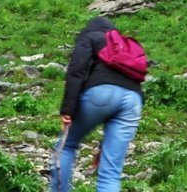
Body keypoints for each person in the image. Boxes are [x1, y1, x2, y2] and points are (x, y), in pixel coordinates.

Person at [53, 15, 145, 190]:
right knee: (110, 172)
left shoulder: (88, 37)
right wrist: (105, 146)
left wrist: (68, 110)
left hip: (101, 93)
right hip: (133, 100)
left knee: (67, 145)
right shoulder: (121, 45)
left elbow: (76, 72)